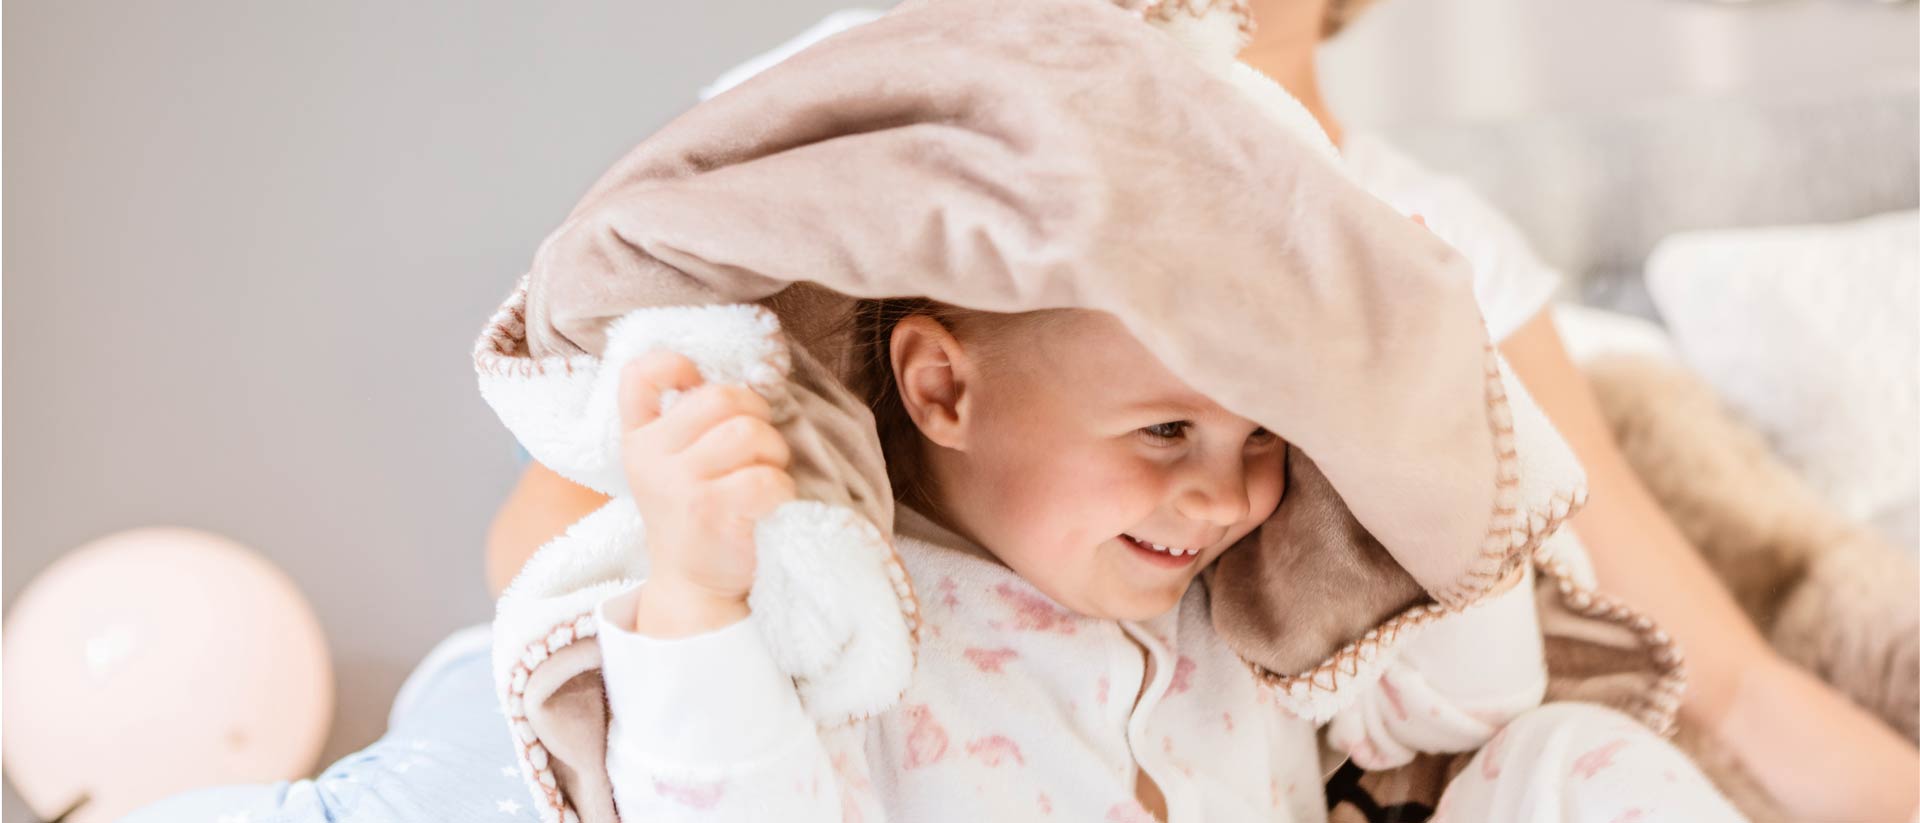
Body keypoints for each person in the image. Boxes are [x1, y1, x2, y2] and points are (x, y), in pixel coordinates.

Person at [590, 302, 1741, 821]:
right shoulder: (870, 625)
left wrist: (1435, 400)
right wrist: (698, 593)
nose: (1224, 495)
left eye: (1264, 439)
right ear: (944, 385)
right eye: (1162, 431)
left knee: (1565, 759)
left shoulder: (1241, 598)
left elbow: (1472, 705)